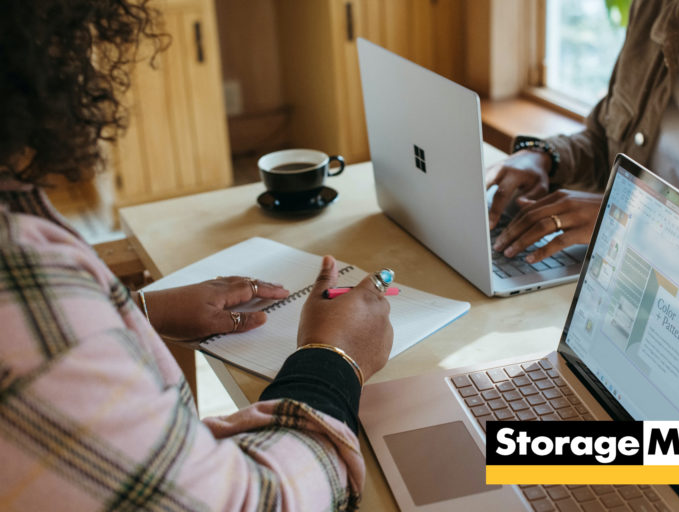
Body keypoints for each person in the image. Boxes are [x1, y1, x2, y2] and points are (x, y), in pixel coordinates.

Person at [0, 1, 393, 510]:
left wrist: (142, 314)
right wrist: (333, 357)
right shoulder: (21, 278)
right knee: (488, 460)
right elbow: (252, 502)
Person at [488, 0, 679, 263]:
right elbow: (604, 141)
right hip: (619, 264)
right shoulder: (651, 8)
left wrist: (633, 218)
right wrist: (546, 157)